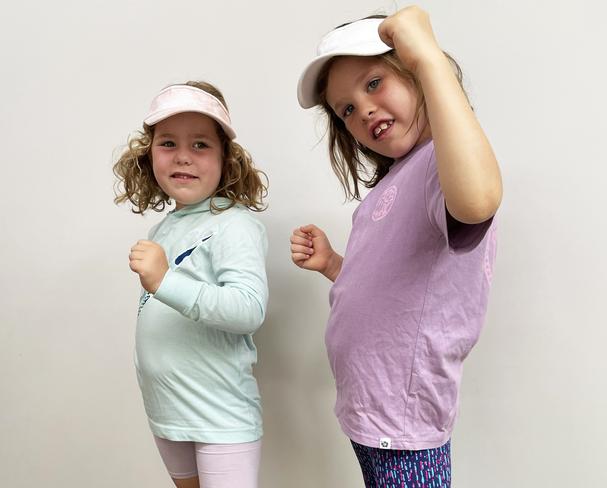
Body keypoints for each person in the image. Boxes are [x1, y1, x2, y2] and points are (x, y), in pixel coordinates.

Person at [290, 7, 502, 487]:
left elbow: (478, 200)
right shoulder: (389, 187)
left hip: (402, 424)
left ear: (415, 73)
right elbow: (386, 286)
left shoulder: (439, 165)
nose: (361, 109)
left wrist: (430, 60)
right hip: (371, 412)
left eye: (373, 83)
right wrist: (333, 265)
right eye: (345, 109)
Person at [113, 81, 268, 488]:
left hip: (219, 414)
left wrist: (166, 279)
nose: (183, 156)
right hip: (168, 410)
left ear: (226, 159)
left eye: (200, 144)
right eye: (168, 143)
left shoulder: (234, 224)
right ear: (149, 155)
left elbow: (248, 309)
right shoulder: (163, 228)